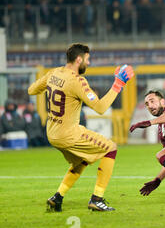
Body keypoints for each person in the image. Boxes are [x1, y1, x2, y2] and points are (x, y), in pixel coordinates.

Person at [28, 43, 134, 212]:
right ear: (79, 59)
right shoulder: (78, 81)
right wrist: (118, 85)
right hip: (69, 133)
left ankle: (57, 198)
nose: (89, 63)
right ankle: (96, 199)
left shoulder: (53, 73)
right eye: (87, 59)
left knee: (82, 160)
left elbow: (31, 90)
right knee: (110, 148)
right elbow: (100, 108)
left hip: (52, 133)